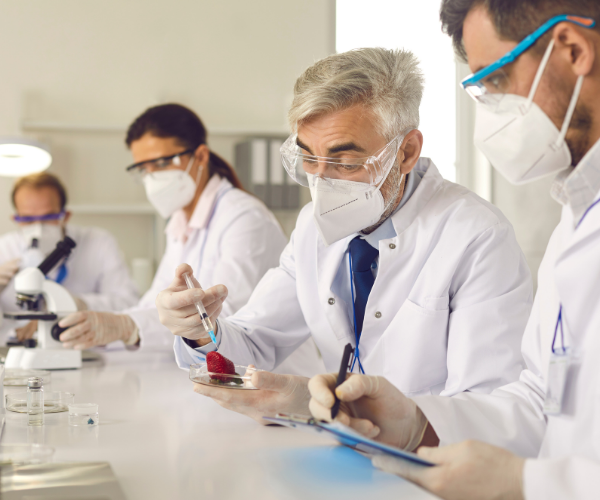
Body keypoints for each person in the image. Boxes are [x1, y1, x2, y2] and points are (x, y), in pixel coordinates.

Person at [308, 2, 600, 499]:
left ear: (572, 49)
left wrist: (528, 483)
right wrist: (414, 421)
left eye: (498, 81)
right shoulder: (577, 215)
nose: (489, 112)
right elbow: (540, 400)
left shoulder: (483, 229)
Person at [155, 48, 532, 427]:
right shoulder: (311, 228)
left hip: (437, 471)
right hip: (346, 454)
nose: (322, 182)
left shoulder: (476, 236)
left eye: (346, 163)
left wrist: (345, 410)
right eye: (308, 159)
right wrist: (200, 333)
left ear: (406, 152)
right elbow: (255, 341)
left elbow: (489, 409)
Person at [56, 104, 321, 375]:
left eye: (161, 163)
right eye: (143, 169)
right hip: (217, 378)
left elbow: (222, 315)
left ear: (201, 156)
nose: (152, 178)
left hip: (280, 384)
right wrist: (103, 323)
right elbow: (156, 303)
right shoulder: (179, 224)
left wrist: (127, 327)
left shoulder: (244, 217)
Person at [0, 172, 139, 344]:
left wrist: (78, 304)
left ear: (65, 216)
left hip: (89, 348)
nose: (38, 228)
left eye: (48, 217)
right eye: (27, 219)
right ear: (15, 219)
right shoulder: (4, 248)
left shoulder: (99, 243)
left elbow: (129, 302)